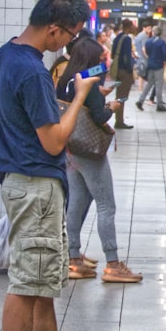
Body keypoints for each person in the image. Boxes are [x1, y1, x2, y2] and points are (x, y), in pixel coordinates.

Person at [0, 0, 105, 331]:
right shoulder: (32, 72)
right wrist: (80, 98)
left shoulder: (7, 55)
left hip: (24, 182)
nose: (69, 43)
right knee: (26, 285)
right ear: (53, 30)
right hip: (35, 186)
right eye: (70, 35)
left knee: (38, 283)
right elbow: (54, 141)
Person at [56, 29, 144, 283]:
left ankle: (73, 259)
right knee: (106, 206)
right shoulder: (88, 82)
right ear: (90, 60)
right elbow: (99, 116)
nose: (102, 63)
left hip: (70, 148)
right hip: (89, 151)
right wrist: (111, 106)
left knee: (77, 203)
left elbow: (77, 103)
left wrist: (98, 98)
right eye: (99, 59)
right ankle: (113, 264)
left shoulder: (67, 78)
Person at [109, 19, 137, 129]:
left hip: (117, 70)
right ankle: (119, 121)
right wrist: (130, 69)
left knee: (119, 95)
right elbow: (126, 58)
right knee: (122, 97)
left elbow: (112, 54)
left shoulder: (117, 37)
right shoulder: (127, 39)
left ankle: (119, 120)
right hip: (124, 71)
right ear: (129, 26)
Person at [136, 26, 166, 112]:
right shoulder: (162, 42)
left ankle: (140, 101)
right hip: (158, 66)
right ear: (161, 33)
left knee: (149, 84)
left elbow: (146, 51)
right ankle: (159, 105)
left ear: (153, 32)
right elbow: (165, 53)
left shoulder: (148, 41)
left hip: (150, 65)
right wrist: (165, 62)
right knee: (158, 85)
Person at [132, 20, 153, 94]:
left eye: (150, 29)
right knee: (142, 75)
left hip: (139, 58)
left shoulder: (138, 35)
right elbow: (144, 49)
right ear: (144, 28)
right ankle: (141, 89)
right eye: (148, 28)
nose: (150, 31)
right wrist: (148, 57)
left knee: (141, 74)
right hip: (143, 59)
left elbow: (134, 47)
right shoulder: (144, 36)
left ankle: (140, 89)